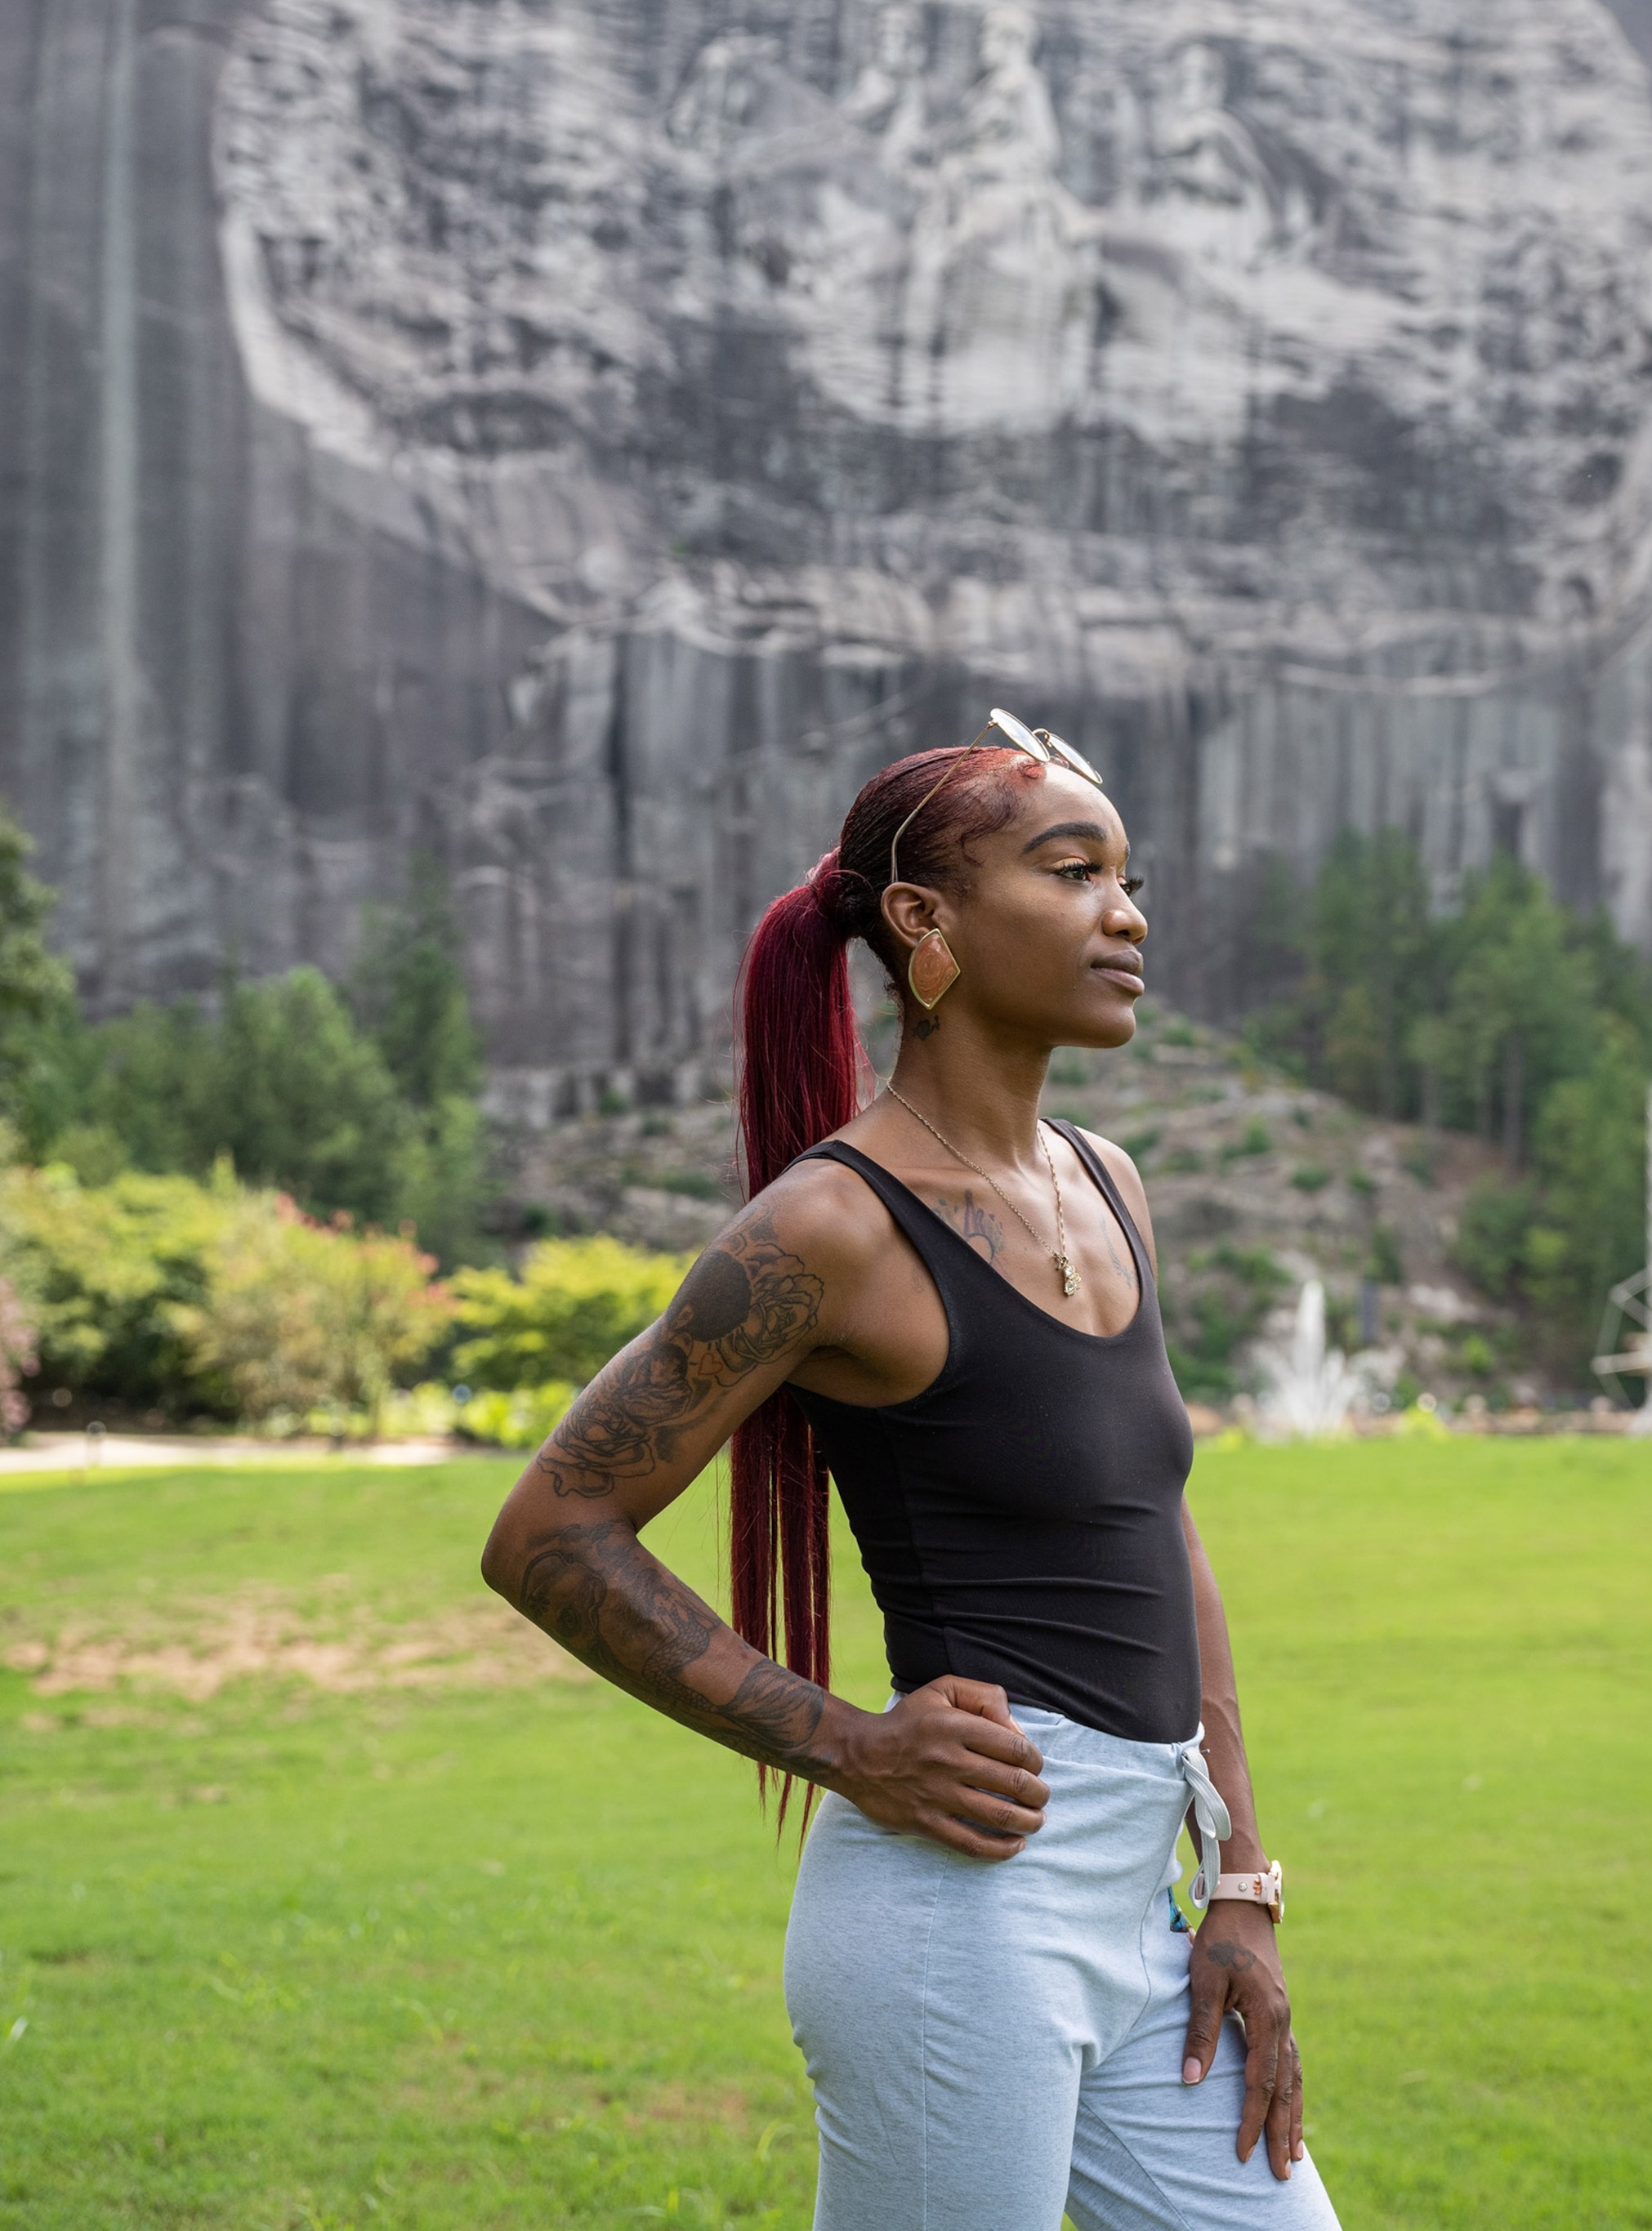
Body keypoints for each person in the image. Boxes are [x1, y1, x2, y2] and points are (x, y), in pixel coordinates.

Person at [480, 712, 1345, 2231]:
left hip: (1150, 1899)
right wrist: (849, 1746)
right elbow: (551, 1531)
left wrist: (1241, 1877)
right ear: (925, 923)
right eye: (1074, 872)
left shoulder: (1108, 1184)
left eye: (1127, 878)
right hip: (964, 1908)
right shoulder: (833, 1228)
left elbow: (1162, 1537)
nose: (1126, 914)